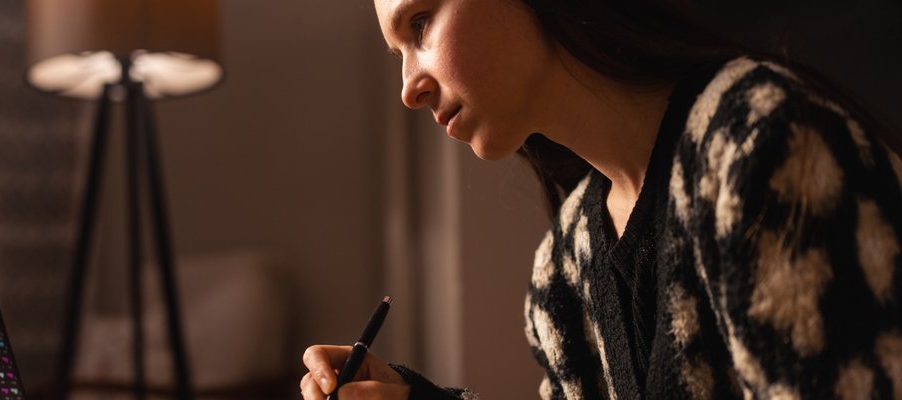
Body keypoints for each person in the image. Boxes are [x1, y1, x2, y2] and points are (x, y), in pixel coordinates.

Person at [300, 0, 902, 398]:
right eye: (398, 53)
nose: (408, 88)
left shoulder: (760, 146)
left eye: (420, 24)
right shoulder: (564, 267)